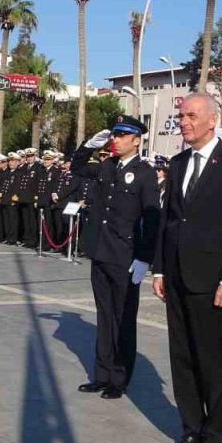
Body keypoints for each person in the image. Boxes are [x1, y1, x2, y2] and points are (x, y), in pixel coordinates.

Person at [152, 94, 222, 443]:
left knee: (210, 360)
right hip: (178, 276)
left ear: (212, 120)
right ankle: (191, 430)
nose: (183, 121)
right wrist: (161, 270)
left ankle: (215, 439)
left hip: (212, 279)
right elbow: (169, 221)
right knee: (181, 358)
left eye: (190, 115)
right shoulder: (179, 163)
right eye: (180, 115)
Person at [71, 115, 160, 400]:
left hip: (126, 257)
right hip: (101, 251)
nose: (115, 140)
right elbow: (77, 168)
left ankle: (119, 379)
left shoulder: (145, 173)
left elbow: (152, 218)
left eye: (122, 136)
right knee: (104, 316)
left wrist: (145, 258)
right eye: (115, 135)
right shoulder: (107, 166)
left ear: (136, 140)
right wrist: (87, 146)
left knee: (123, 319)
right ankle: (101, 375)